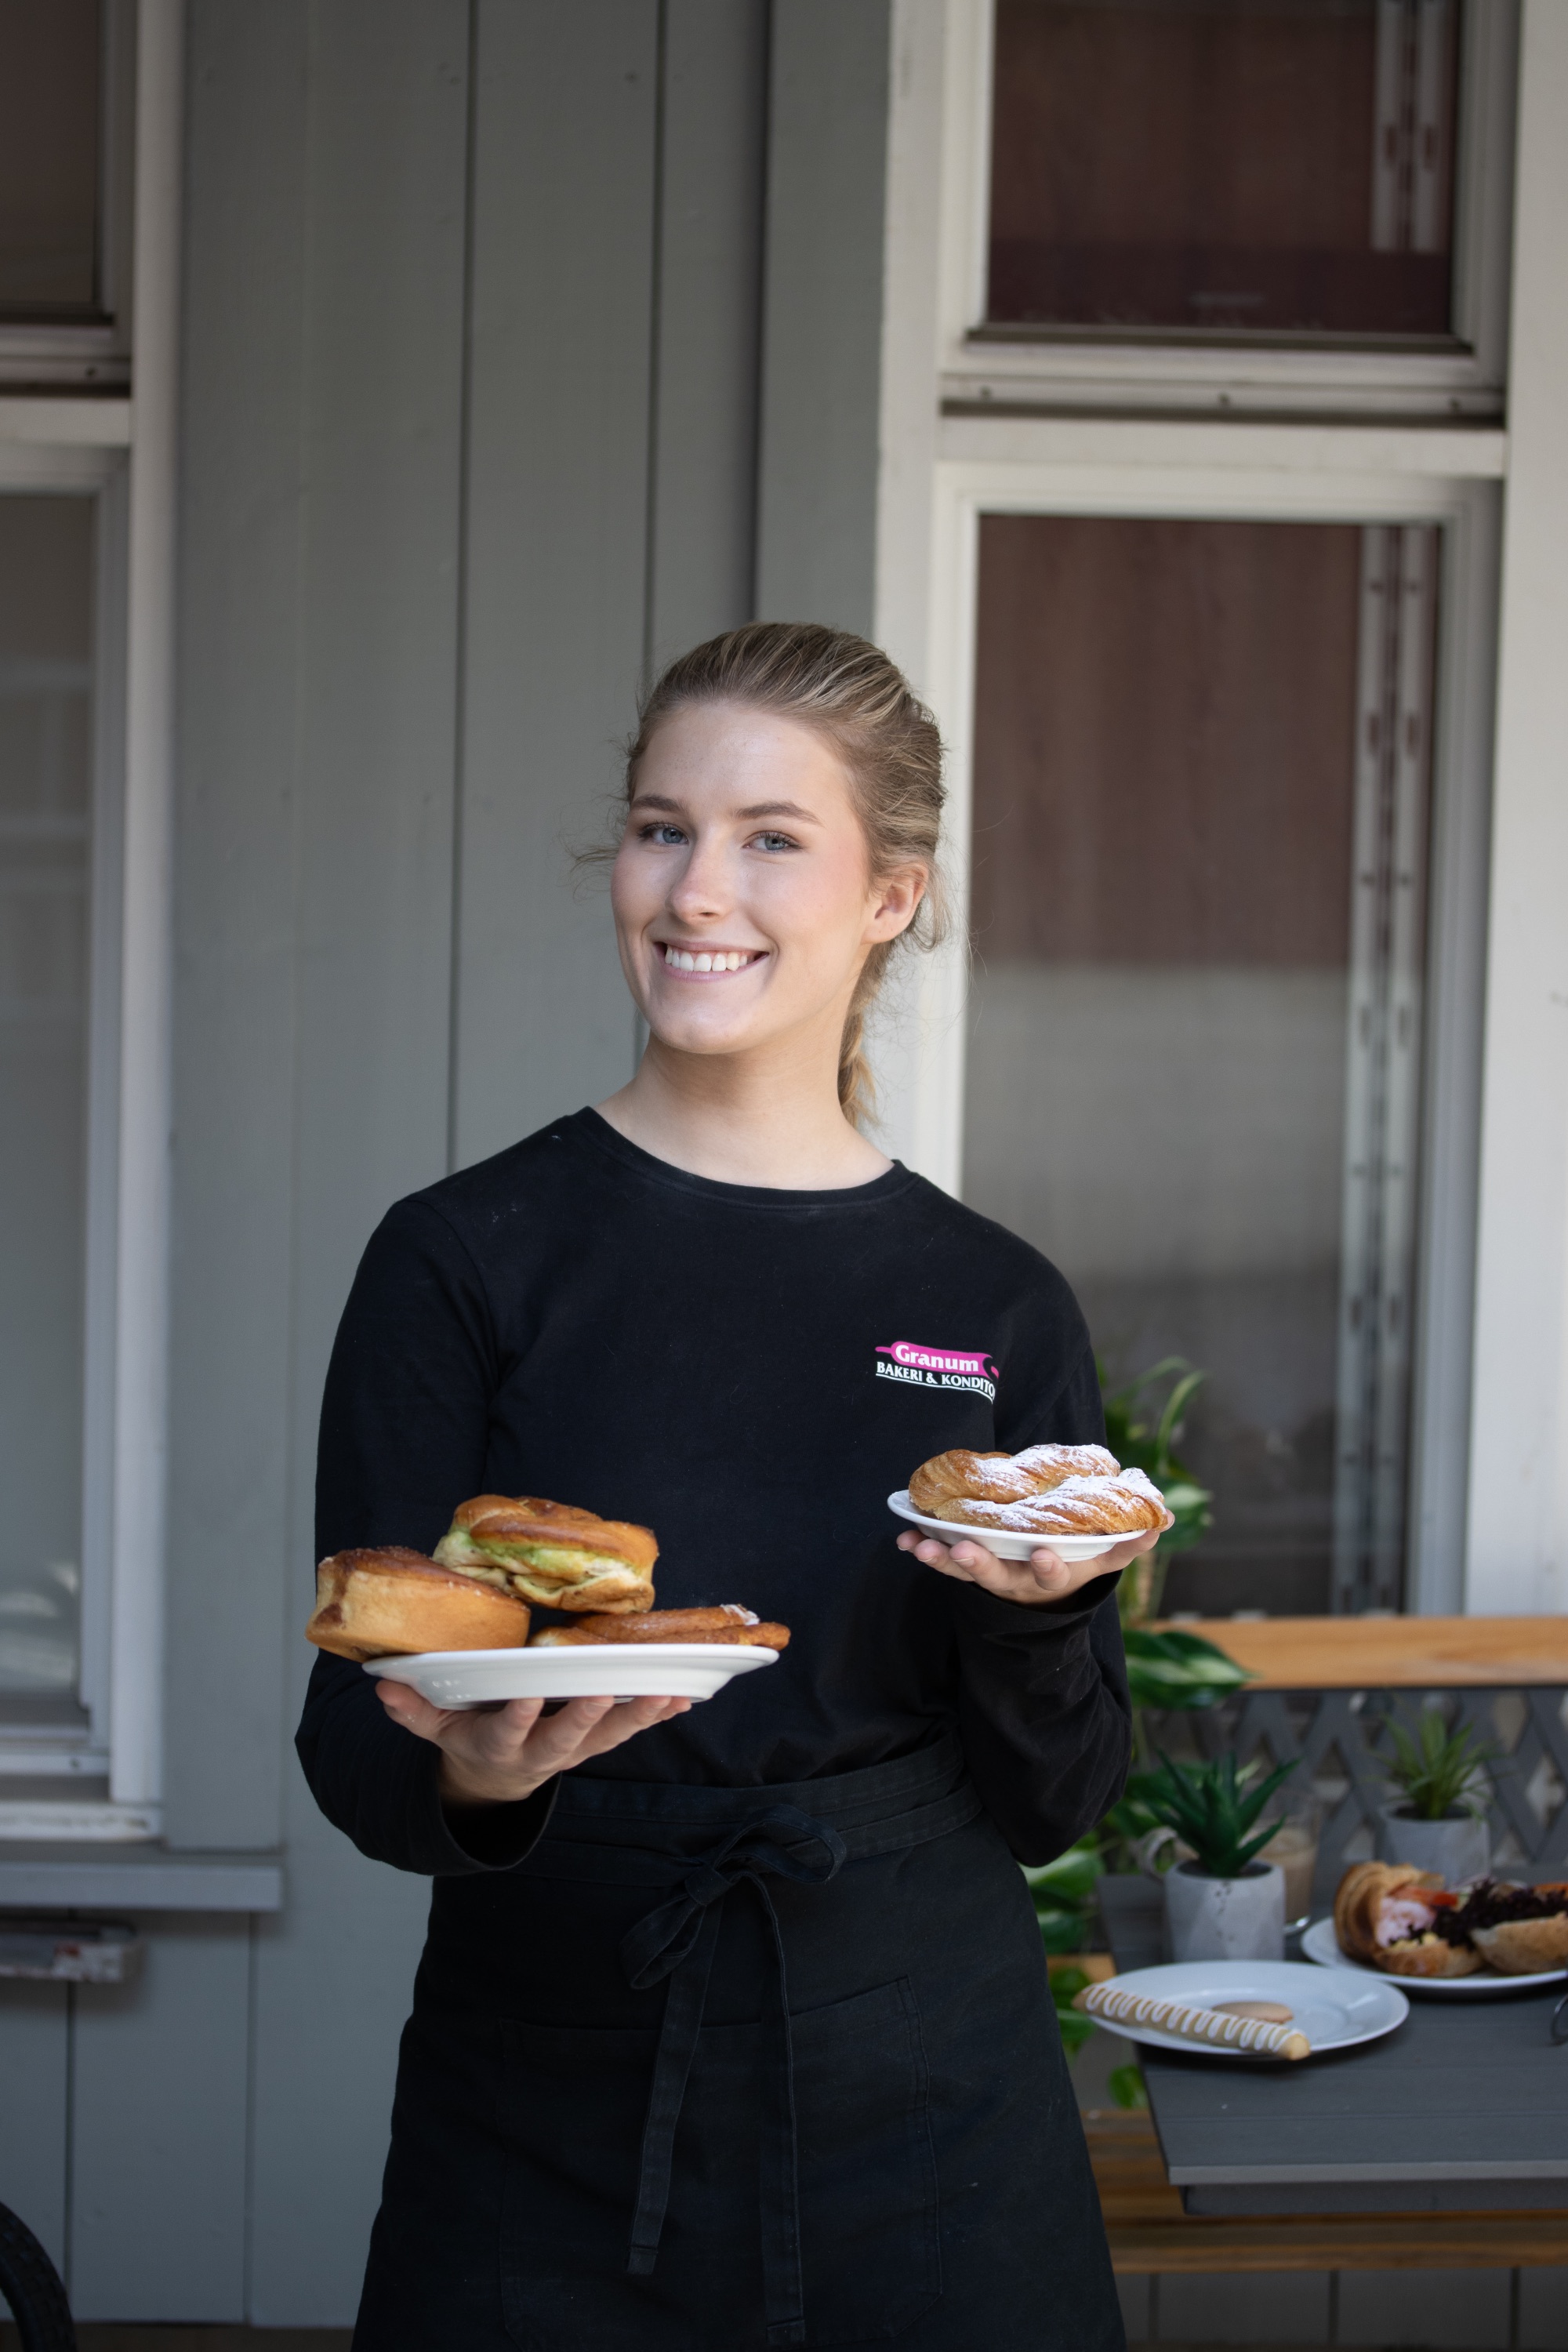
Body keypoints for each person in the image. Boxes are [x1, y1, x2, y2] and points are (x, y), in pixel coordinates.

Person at [298, 623, 1166, 2351]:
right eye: (658, 826)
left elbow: (1056, 1800)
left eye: (773, 836)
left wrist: (1039, 1624)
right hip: (550, 2068)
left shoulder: (994, 1304)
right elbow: (352, 1753)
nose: (697, 888)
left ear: (889, 897)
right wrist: (479, 1776)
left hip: (928, 2076)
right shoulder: (463, 1258)